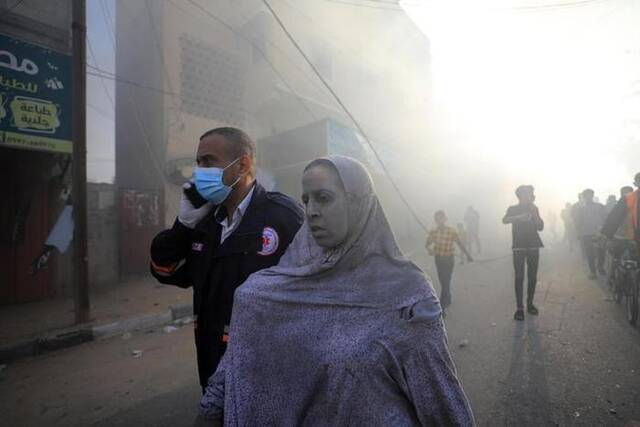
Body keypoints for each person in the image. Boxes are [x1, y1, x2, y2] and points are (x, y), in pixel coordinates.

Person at [197, 156, 475, 425]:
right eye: (306, 200)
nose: (312, 211)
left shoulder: (406, 293)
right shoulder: (272, 289)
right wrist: (209, 412)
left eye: (324, 198)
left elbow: (440, 398)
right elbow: (235, 365)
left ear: (359, 204)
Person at [149, 127, 303, 391]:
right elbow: (164, 269)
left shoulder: (283, 218)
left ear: (242, 165)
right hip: (212, 371)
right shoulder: (203, 223)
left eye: (208, 161)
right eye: (197, 163)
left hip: (269, 376)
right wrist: (183, 225)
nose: (199, 172)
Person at [502, 185, 544, 321]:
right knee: (519, 277)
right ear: (520, 195)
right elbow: (505, 220)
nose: (531, 196)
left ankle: (530, 304)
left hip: (533, 245)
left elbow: (540, 227)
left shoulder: (534, 208)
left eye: (531, 193)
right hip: (519, 246)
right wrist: (519, 217)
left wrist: (535, 215)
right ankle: (519, 308)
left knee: (532, 277)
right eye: (528, 193)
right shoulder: (513, 209)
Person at [426, 211, 473, 311]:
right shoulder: (433, 232)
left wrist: (468, 255)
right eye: (437, 219)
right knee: (443, 281)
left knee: (446, 280)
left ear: (445, 219)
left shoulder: (451, 231)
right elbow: (427, 244)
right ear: (436, 220)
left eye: (441, 218)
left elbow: (460, 244)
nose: (440, 221)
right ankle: (448, 297)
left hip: (449, 259)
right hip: (438, 259)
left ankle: (442, 305)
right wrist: (429, 249)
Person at [574, 189, 607, 279]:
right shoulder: (581, 209)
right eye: (586, 195)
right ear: (584, 197)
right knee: (590, 253)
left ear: (592, 195)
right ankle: (593, 271)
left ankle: (600, 267)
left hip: (599, 233)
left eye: (590, 195)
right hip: (586, 233)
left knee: (601, 251)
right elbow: (578, 222)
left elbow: (605, 218)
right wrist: (578, 233)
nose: (588, 197)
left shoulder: (600, 206)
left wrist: (606, 231)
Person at [602, 174, 640, 249]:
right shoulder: (629, 198)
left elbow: (615, 217)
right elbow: (615, 217)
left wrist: (606, 234)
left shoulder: (629, 197)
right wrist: (606, 234)